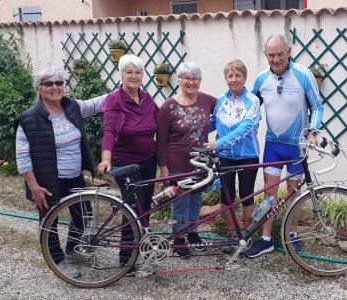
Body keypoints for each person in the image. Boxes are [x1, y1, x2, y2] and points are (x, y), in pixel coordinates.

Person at [15, 67, 107, 278]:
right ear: (38, 88)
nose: (55, 87)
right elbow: (22, 157)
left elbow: (97, 103)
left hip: (74, 176)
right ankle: (57, 260)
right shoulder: (28, 119)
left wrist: (124, 85)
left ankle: (72, 249)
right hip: (46, 179)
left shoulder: (72, 107)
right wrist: (34, 187)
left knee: (83, 214)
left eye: (59, 83)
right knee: (49, 222)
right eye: (48, 83)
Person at [245, 34, 324, 258]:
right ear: (265, 55)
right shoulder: (261, 79)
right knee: (270, 194)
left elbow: (317, 107)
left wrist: (312, 133)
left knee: (294, 194)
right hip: (273, 145)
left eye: (280, 54)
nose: (276, 59)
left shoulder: (303, 75)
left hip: (296, 146)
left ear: (288, 51)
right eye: (271, 55)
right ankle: (266, 239)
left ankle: (292, 235)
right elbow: (250, 109)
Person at [97, 54, 159, 271]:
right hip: (125, 162)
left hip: (148, 160)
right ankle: (126, 260)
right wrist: (106, 159)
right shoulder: (114, 99)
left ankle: (141, 251)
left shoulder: (146, 98)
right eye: (129, 72)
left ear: (143, 75)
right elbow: (109, 131)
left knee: (145, 208)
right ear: (121, 75)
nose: (134, 76)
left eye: (138, 72)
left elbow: (161, 123)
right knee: (132, 209)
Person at [156, 62, 217, 259]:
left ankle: (192, 232)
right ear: (179, 80)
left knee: (195, 200)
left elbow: (229, 107)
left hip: (199, 162)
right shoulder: (168, 106)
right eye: (187, 78)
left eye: (195, 78)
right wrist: (163, 168)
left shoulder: (207, 100)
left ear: (200, 81)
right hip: (176, 163)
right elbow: (161, 141)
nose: (191, 82)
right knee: (180, 202)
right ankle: (179, 238)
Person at [205, 59, 261, 241]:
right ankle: (231, 235)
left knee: (247, 196)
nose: (234, 79)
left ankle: (246, 235)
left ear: (245, 78)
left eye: (238, 75)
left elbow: (244, 129)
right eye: (230, 76)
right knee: (226, 196)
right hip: (225, 157)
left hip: (247, 155)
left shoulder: (253, 101)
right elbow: (211, 124)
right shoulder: (220, 100)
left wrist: (218, 144)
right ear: (226, 79)